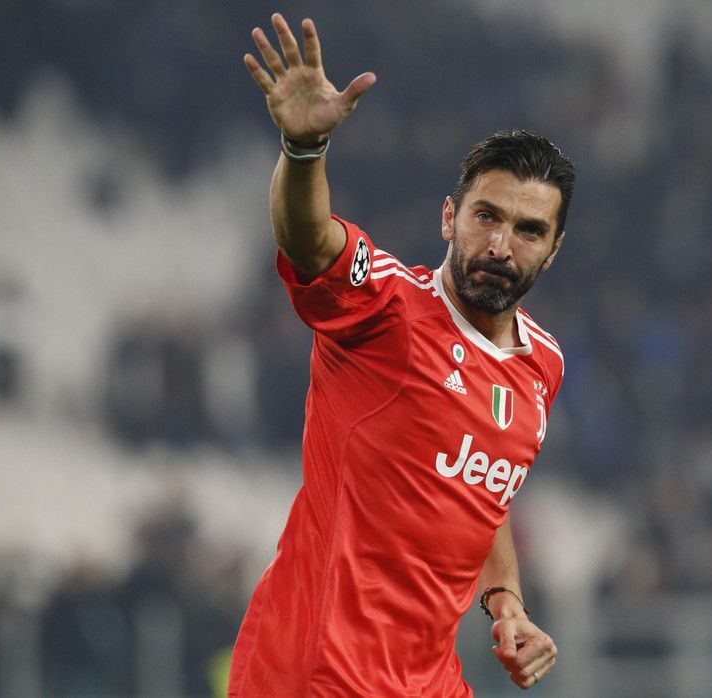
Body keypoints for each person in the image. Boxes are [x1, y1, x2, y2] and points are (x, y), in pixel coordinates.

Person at [233, 12, 573, 696]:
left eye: (529, 230)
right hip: (317, 672)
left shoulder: (544, 364)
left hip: (427, 679)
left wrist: (506, 602)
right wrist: (304, 150)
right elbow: (310, 240)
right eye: (486, 216)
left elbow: (484, 497)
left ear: (553, 248)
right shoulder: (386, 309)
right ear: (450, 217)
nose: (501, 245)